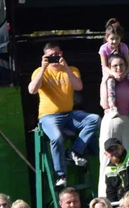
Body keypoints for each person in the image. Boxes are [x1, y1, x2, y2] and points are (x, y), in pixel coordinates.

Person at [28, 43, 100, 188]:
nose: (54, 58)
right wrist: (43, 68)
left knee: (95, 119)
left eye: (56, 54)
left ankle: (74, 150)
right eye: (50, 56)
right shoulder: (39, 71)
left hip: (69, 114)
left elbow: (78, 86)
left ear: (61, 53)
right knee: (56, 137)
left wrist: (65, 67)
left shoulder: (72, 70)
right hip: (48, 116)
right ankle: (61, 175)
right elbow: (32, 90)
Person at [97, 54, 129, 198]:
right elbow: (104, 104)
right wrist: (104, 82)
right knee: (107, 159)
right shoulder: (108, 81)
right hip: (112, 120)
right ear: (110, 68)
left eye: (121, 65)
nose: (119, 68)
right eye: (115, 65)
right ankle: (105, 198)